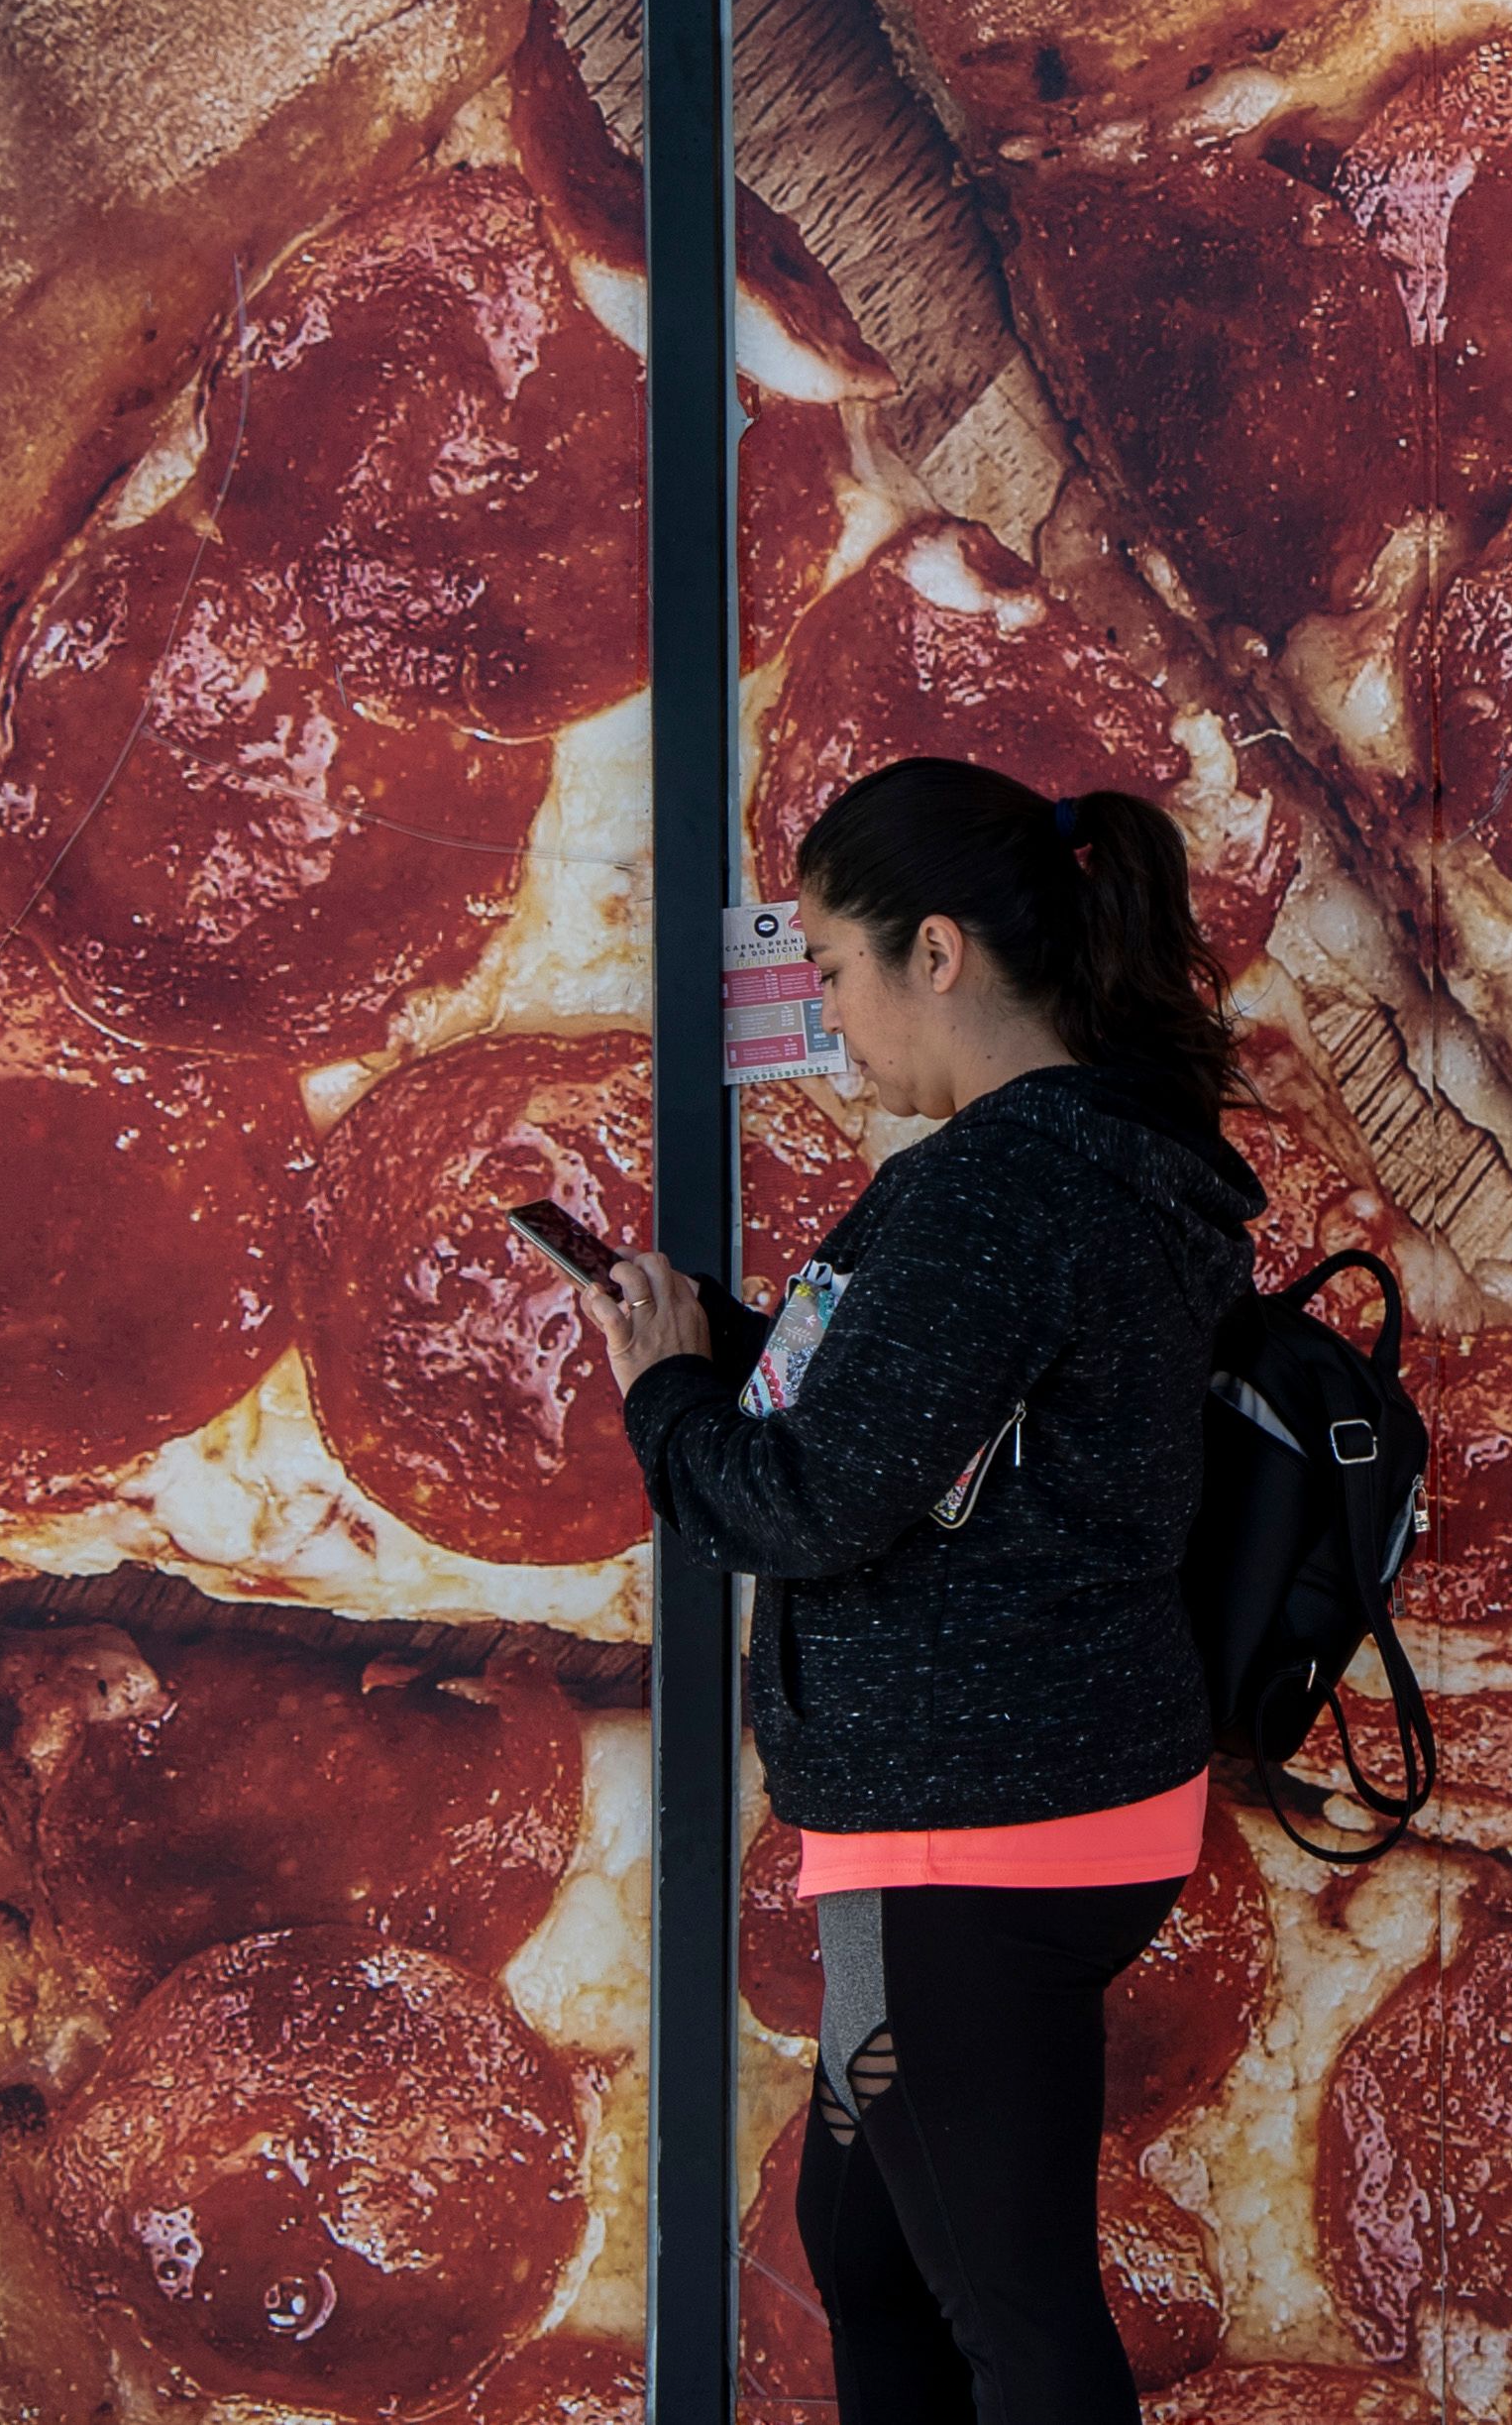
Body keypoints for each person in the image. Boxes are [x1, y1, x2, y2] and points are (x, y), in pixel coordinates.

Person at [579, 756, 1264, 2425]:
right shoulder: (1106, 1156)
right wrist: (729, 1348)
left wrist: (666, 1401)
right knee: (868, 2245)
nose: (824, 1014)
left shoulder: (994, 1189)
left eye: (827, 966)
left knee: (1003, 2304)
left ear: (937, 951)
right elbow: (934, 1429)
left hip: (972, 1828)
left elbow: (804, 1502)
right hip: (1044, 1794)